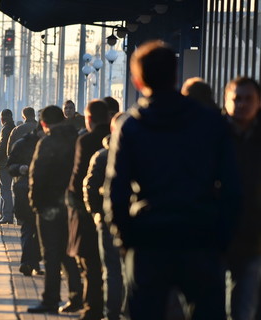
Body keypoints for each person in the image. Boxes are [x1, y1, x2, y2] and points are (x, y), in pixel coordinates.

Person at [104, 40, 241, 320]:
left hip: (148, 240)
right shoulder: (209, 122)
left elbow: (116, 192)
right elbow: (231, 186)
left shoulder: (130, 125)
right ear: (176, 75)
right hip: (200, 237)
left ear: (137, 80)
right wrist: (222, 239)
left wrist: (125, 239)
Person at [27, 105, 83, 314]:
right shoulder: (77, 139)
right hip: (72, 206)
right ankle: (77, 298)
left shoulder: (47, 142)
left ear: (44, 124)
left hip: (49, 207)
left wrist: (36, 204)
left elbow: (37, 176)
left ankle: (50, 300)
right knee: (70, 253)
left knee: (50, 254)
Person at [66, 99, 109, 320]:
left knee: (89, 264)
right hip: (113, 211)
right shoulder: (119, 138)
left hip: (87, 211)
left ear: (89, 118)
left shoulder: (85, 141)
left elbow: (77, 179)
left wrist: (74, 205)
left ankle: (92, 308)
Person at [224, 77, 261, 320]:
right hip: (215, 236)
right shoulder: (212, 135)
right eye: (237, 99)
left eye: (248, 99)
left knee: (243, 308)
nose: (242, 104)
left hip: (252, 238)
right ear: (226, 101)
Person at [83, 112, 126, 320]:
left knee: (111, 271)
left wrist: (96, 214)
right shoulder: (142, 153)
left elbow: (89, 187)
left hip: (107, 220)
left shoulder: (101, 155)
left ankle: (112, 314)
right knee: (130, 272)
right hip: (132, 222)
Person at [7, 117, 43, 276]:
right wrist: (20, 168)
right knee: (29, 229)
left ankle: (31, 262)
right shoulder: (23, 144)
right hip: (26, 192)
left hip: (47, 194)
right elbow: (10, 166)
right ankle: (29, 263)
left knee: (39, 233)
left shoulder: (54, 144)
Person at [0, 109, 15, 224]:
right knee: (6, 190)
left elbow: (2, 146)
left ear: (2, 118)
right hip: (10, 163)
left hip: (3, 163)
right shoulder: (13, 128)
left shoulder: (6, 129)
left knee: (5, 190)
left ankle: (6, 216)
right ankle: (4, 215)